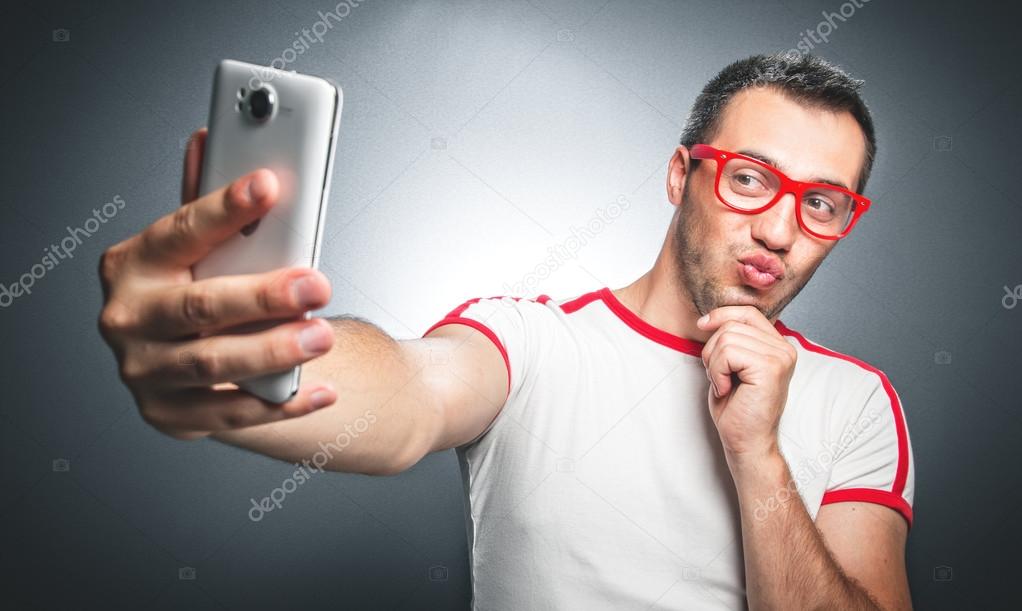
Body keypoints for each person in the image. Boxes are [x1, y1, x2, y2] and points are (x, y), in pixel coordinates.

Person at [98, 52, 914, 609]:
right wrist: (246, 362)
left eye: (821, 204)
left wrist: (758, 454)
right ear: (680, 174)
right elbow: (410, 398)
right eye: (749, 179)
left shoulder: (857, 400)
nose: (779, 229)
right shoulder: (533, 344)